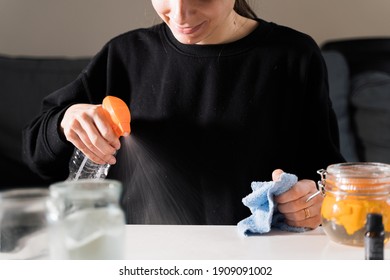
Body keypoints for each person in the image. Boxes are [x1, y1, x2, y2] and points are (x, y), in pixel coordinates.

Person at [23, 0, 344, 228]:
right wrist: (65, 122)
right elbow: (37, 155)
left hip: (257, 257)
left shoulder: (294, 57)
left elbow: (327, 176)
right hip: (139, 258)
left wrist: (314, 200)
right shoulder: (123, 56)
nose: (180, 14)